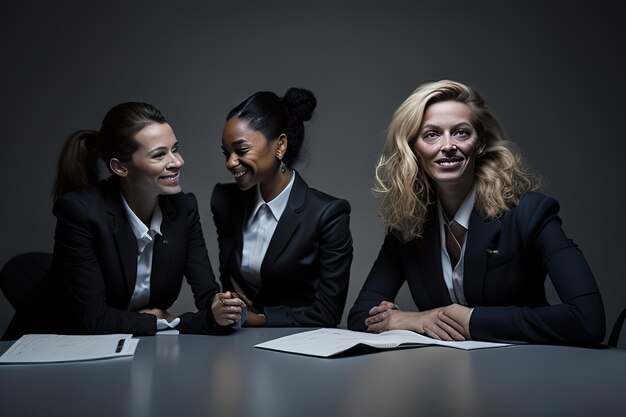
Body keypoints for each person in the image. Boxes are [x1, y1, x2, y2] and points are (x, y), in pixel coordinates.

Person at [348, 80, 605, 345]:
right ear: (414, 148)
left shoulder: (530, 212)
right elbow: (360, 315)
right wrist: (417, 320)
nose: (448, 145)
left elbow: (588, 319)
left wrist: (472, 320)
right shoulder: (408, 223)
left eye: (460, 132)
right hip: (444, 375)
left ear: (479, 144)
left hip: (525, 369)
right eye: (431, 135)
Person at [3, 102, 244, 340]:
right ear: (119, 168)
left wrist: (219, 305)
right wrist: (165, 321)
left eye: (175, 149)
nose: (177, 162)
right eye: (159, 155)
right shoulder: (80, 212)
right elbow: (96, 319)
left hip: (124, 346)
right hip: (47, 347)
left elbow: (206, 294)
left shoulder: (183, 207)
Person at [211, 87, 353, 327]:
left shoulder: (327, 215)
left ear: (280, 146)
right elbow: (229, 283)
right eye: (227, 153)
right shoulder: (225, 200)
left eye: (241, 150)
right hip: (237, 344)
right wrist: (226, 302)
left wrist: (261, 318)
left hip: (298, 344)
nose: (230, 162)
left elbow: (328, 313)